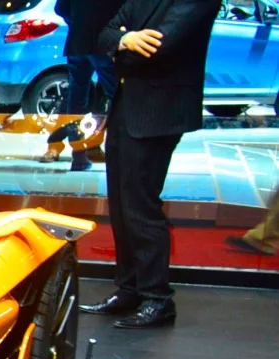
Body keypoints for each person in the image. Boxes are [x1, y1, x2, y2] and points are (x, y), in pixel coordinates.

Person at [80, 0, 217, 329]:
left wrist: (121, 47)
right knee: (122, 204)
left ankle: (157, 299)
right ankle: (129, 289)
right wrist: (124, 40)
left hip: (160, 109)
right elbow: (105, 34)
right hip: (127, 105)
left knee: (141, 205)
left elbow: (159, 48)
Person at [41, 0, 120, 171]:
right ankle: (116, 152)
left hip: (78, 41)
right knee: (117, 97)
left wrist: (78, 23)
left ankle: (78, 154)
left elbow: (61, 8)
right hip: (105, 43)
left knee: (76, 98)